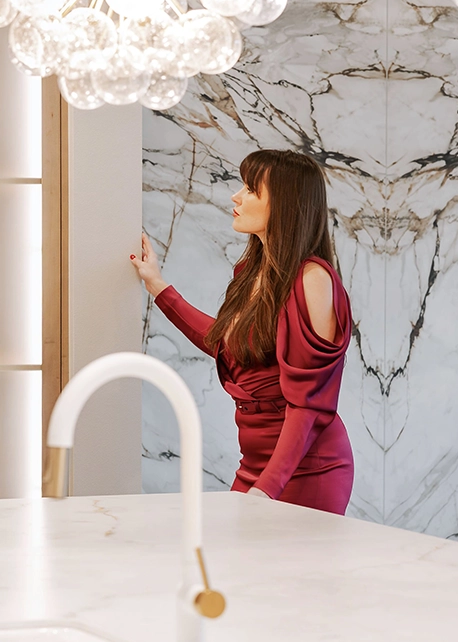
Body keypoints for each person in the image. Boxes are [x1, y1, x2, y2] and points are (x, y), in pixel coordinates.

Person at [131, 149, 354, 515]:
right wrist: (157, 286)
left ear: (285, 203)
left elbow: (307, 403)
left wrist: (265, 490)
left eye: (251, 189)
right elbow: (226, 343)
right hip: (255, 468)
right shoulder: (253, 272)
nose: (236, 196)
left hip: (307, 470)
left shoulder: (313, 279)